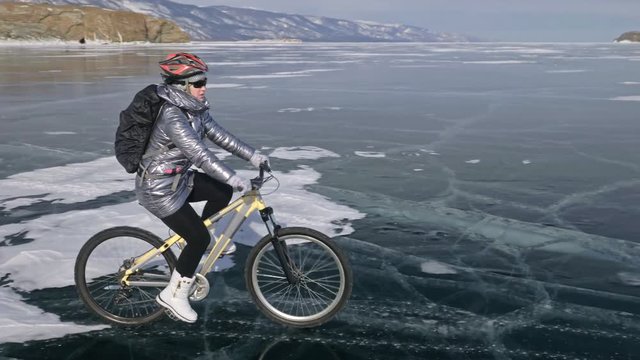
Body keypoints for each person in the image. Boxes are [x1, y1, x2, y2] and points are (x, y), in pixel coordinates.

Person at [134, 52, 269, 323]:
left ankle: (192, 238)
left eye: (203, 81)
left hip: (178, 179)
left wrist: (253, 155)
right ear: (182, 85)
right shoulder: (173, 116)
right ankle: (174, 294)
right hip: (158, 189)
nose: (203, 87)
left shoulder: (195, 110)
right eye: (197, 83)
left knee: (221, 191)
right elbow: (200, 155)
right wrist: (232, 176)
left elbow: (221, 136)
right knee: (200, 238)